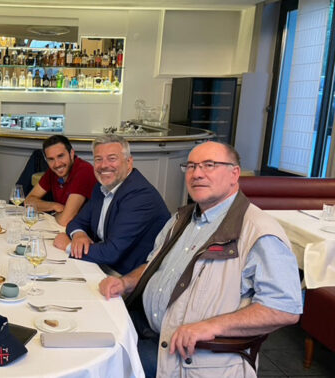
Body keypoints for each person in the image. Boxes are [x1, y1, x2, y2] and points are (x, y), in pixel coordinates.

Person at [99, 141, 303, 377]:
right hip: (147, 332)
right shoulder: (182, 219)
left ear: (234, 173)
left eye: (209, 165)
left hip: (192, 359)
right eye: (192, 166)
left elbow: (284, 308)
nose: (197, 174)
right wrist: (125, 282)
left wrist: (210, 326)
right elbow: (156, 266)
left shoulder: (258, 231)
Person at [54, 135, 170, 275]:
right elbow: (77, 222)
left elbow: (111, 253)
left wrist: (68, 246)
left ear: (128, 162)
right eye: (98, 159)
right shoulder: (101, 187)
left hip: (128, 278)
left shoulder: (140, 196)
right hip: (101, 265)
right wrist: (79, 235)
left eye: (112, 158)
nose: (104, 165)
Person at [25, 135, 96, 227]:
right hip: (65, 229)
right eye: (51, 159)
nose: (57, 164)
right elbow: (28, 202)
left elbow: (65, 220)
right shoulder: (52, 172)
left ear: (71, 153)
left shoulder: (84, 171)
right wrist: (53, 206)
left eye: (61, 156)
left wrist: (54, 214)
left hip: (86, 233)